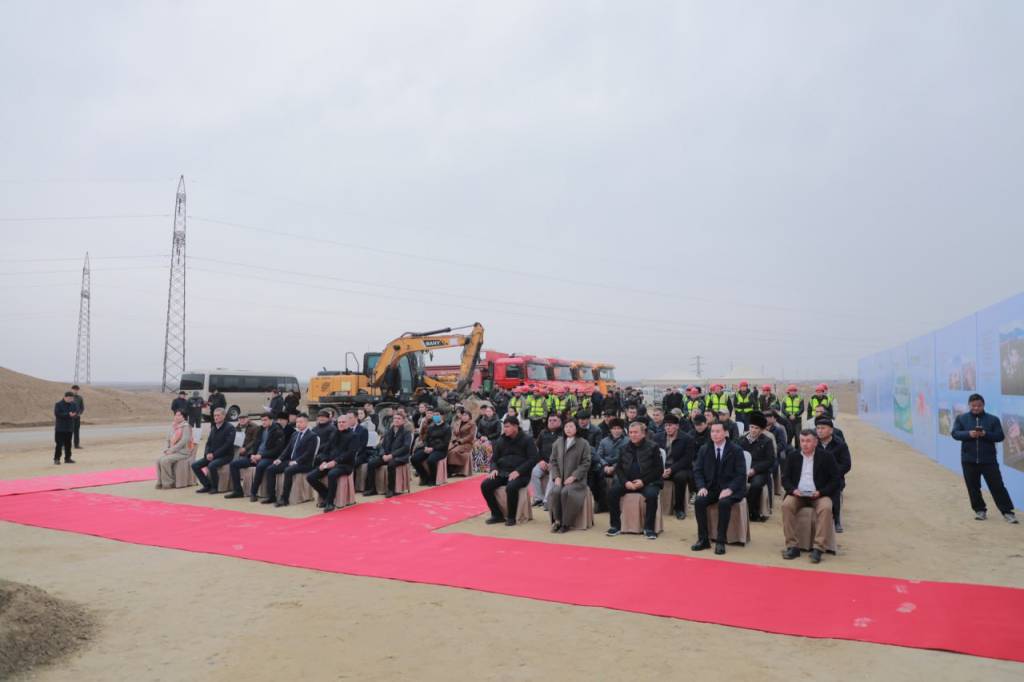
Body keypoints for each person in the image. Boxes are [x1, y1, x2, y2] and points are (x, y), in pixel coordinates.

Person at [952, 394, 1017, 523]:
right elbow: (955, 433)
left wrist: (985, 434)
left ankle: (1008, 512)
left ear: (983, 405)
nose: (976, 408)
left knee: (997, 486)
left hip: (989, 461)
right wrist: (969, 434)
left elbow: (1000, 436)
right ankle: (980, 510)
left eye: (979, 405)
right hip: (968, 460)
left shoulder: (993, 419)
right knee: (973, 487)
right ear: (969, 405)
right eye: (973, 405)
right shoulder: (961, 418)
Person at [781, 429, 841, 563]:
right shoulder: (793, 456)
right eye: (802, 441)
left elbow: (836, 480)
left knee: (826, 508)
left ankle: (818, 548)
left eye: (808, 441)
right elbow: (785, 479)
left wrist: (821, 492)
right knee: (786, 506)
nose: (804, 444)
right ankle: (792, 546)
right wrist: (793, 490)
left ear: (815, 442)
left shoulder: (826, 457)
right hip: (798, 494)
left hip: (819, 494)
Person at [691, 422, 746, 555]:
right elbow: (697, 470)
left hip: (730, 488)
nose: (714, 434)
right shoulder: (705, 449)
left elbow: (741, 474)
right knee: (699, 501)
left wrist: (730, 489)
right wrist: (701, 487)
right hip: (711, 488)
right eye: (712, 431)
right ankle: (703, 539)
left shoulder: (735, 450)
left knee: (724, 503)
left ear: (725, 433)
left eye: (717, 431)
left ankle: (721, 540)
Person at [605, 422, 662, 539]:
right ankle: (615, 526)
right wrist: (625, 482)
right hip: (628, 482)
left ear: (643, 433)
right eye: (630, 432)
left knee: (652, 495)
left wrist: (643, 481)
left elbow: (658, 469)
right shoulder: (624, 448)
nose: (633, 435)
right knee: (612, 492)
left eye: (636, 432)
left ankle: (649, 528)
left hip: (648, 482)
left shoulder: (653, 447)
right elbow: (619, 468)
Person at [480, 416, 539, 526]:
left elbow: (533, 459)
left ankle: (511, 517)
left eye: (507, 427)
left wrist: (519, 471)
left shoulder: (527, 439)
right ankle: (497, 514)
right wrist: (494, 469)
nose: (505, 429)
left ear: (515, 427)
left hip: (521, 474)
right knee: (485, 485)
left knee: (511, 487)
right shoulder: (501, 440)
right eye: (504, 427)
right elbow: (494, 459)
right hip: (503, 472)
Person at [307, 413, 362, 512]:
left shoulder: (354, 436)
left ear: (348, 423)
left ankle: (330, 502)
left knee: (332, 474)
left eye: (343, 422)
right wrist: (324, 461)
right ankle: (326, 495)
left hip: (345, 464)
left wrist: (335, 462)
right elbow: (326, 450)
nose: (341, 424)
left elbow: (350, 453)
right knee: (310, 477)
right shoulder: (334, 433)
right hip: (330, 463)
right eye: (339, 422)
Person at [262, 413, 319, 507]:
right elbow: (287, 449)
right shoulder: (295, 434)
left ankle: (284, 499)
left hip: (304, 463)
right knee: (270, 469)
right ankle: (271, 496)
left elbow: (309, 453)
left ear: (307, 422)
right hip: (291, 461)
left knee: (288, 470)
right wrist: (280, 459)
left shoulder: (312, 436)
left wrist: (297, 461)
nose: (298, 424)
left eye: (301, 422)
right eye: (297, 422)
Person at [547, 419, 592, 533]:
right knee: (555, 491)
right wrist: (556, 476)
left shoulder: (583, 443)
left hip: (577, 480)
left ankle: (566, 523)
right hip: (560, 479)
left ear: (576, 428)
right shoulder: (558, 442)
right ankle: (557, 521)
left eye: (571, 426)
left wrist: (574, 477)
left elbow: (586, 463)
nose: (568, 429)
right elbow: (553, 461)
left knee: (566, 492)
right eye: (566, 426)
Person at [226, 413, 285, 500]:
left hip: (269, 457)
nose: (263, 422)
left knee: (260, 466)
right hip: (256, 456)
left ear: (271, 420)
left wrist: (261, 456)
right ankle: (238, 491)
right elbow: (255, 444)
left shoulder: (278, 432)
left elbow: (277, 450)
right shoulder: (261, 430)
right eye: (262, 420)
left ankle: (253, 492)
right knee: (234, 464)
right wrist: (252, 455)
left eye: (265, 420)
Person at [815, 417, 852, 532]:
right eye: (818, 428)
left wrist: (833, 473)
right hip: (815, 477)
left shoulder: (840, 445)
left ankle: (836, 520)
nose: (820, 431)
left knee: (835, 490)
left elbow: (846, 464)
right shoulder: (813, 443)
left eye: (823, 428)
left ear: (831, 430)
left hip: (834, 478)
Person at [365, 412, 413, 497]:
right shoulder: (388, 432)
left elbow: (406, 447)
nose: (396, 420)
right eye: (395, 418)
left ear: (403, 421)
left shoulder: (406, 432)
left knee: (391, 465)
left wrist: (392, 455)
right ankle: (372, 489)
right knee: (371, 463)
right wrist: (383, 455)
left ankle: (391, 490)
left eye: (399, 419)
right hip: (386, 455)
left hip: (399, 457)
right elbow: (381, 445)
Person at [657, 413, 695, 519]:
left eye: (670, 425)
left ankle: (679, 508)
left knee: (680, 477)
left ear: (677, 426)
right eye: (666, 425)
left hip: (679, 468)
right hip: (661, 467)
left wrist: (671, 469)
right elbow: (653, 456)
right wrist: (661, 469)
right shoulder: (658, 437)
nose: (667, 428)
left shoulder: (687, 439)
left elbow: (687, 459)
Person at [191, 408, 236, 493]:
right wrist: (207, 453)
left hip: (226, 456)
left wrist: (214, 455)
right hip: (212, 455)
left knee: (212, 465)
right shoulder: (213, 427)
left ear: (224, 416)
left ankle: (215, 487)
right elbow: (208, 443)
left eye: (218, 415)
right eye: (215, 415)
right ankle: (207, 485)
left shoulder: (230, 428)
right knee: (195, 465)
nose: (216, 417)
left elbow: (227, 445)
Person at [741, 412, 776, 522]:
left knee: (756, 485)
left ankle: (751, 511)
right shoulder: (741, 439)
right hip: (742, 470)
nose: (753, 430)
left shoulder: (767, 441)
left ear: (761, 430)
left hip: (759, 472)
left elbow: (770, 461)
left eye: (756, 428)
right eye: (751, 427)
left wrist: (754, 470)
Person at [591, 417, 627, 513]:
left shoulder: (627, 441)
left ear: (622, 429)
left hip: (620, 467)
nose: (616, 431)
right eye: (614, 428)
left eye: (619, 428)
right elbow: (598, 456)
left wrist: (614, 467)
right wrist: (605, 465)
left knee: (617, 480)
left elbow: (625, 458)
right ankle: (600, 504)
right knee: (596, 477)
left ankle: (614, 506)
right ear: (610, 430)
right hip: (604, 466)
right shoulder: (604, 441)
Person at [411, 408, 451, 486]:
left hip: (440, 450)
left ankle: (433, 479)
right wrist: (426, 446)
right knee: (414, 459)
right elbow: (426, 439)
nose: (435, 417)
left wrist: (433, 448)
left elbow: (445, 443)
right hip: (429, 448)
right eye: (434, 415)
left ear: (442, 416)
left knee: (431, 460)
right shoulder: (431, 427)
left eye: (437, 415)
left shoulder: (447, 427)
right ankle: (424, 476)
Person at [531, 414, 563, 509]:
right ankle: (539, 498)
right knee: (534, 472)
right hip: (543, 462)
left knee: (553, 475)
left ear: (560, 422)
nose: (551, 422)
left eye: (554, 420)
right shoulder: (543, 432)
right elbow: (535, 448)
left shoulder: (563, 434)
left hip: (557, 463)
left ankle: (547, 501)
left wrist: (553, 463)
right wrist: (540, 461)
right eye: (550, 420)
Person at [156, 410, 193, 488]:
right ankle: (160, 482)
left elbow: (183, 441)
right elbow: (168, 439)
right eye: (176, 415)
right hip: (173, 451)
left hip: (183, 452)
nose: (176, 417)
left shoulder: (186, 427)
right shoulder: (173, 426)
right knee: (158, 460)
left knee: (165, 461)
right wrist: (167, 449)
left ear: (184, 417)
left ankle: (169, 483)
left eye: (179, 415)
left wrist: (172, 450)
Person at [446, 406, 476, 476]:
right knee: (447, 450)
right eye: (463, 415)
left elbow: (471, 436)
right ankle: (447, 469)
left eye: (466, 415)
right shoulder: (458, 422)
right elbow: (453, 433)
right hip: (455, 442)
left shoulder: (472, 424)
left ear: (469, 417)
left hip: (466, 443)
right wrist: (454, 440)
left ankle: (451, 470)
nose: (464, 417)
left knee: (453, 452)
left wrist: (460, 441)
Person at [53, 391, 78, 465]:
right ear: (65, 397)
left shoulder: (74, 404)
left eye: (72, 398)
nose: (70, 400)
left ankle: (67, 458)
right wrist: (68, 414)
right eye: (69, 398)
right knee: (59, 444)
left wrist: (74, 415)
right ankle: (56, 459)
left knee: (68, 444)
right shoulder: (58, 404)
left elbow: (76, 413)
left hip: (69, 427)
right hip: (60, 428)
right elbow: (57, 414)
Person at [70, 384, 85, 448]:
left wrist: (80, 413)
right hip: (70, 418)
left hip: (77, 418)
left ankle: (76, 445)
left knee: (76, 431)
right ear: (72, 390)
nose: (75, 391)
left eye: (77, 390)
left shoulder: (80, 398)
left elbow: (82, 407)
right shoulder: (68, 397)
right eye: (74, 390)